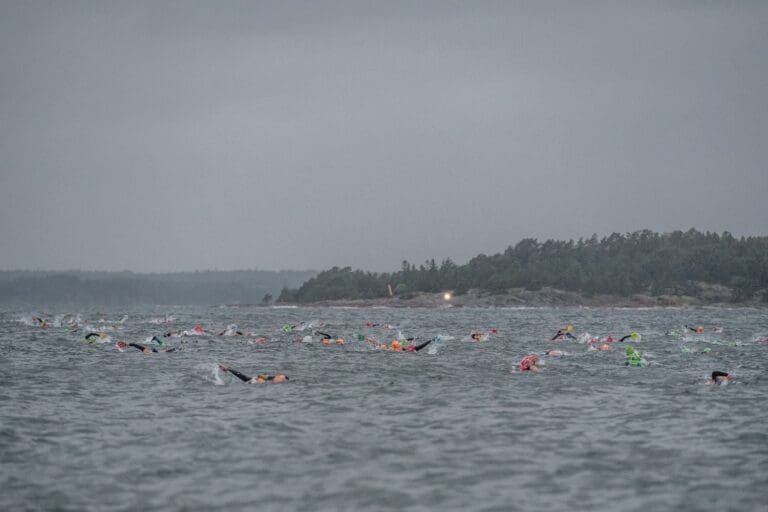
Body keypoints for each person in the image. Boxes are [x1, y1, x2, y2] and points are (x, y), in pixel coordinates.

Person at [218, 364, 288, 384]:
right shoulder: (272, 378)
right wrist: (259, 379)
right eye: (280, 378)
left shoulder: (274, 381)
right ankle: (228, 368)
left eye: (281, 379)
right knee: (243, 377)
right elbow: (260, 376)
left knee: (243, 377)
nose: (280, 379)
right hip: (254, 381)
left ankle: (228, 368)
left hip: (253, 381)